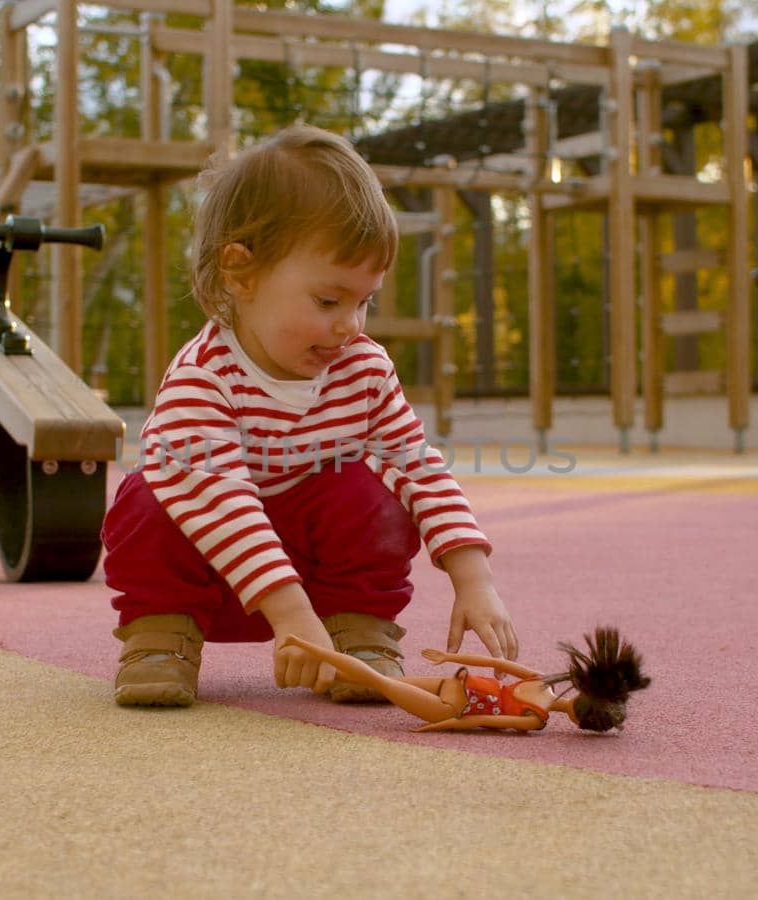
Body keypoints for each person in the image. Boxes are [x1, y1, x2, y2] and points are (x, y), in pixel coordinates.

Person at [100, 123, 516, 708]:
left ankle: (358, 629)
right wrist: (290, 614)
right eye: (328, 301)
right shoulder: (205, 375)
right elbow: (222, 503)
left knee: (368, 489)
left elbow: (417, 466)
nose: (351, 325)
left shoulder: (362, 369)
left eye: (364, 300)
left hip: (315, 594)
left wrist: (475, 581)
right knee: (150, 495)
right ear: (241, 273)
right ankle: (160, 640)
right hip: (216, 581)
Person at [279, 626, 651, 733]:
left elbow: (494, 660)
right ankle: (305, 646)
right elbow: (483, 720)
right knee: (383, 684)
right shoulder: (535, 719)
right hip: (454, 704)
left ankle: (319, 665)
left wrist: (450, 657)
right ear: (579, 721)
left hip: (460, 681)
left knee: (384, 681)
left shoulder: (542, 682)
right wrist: (439, 726)